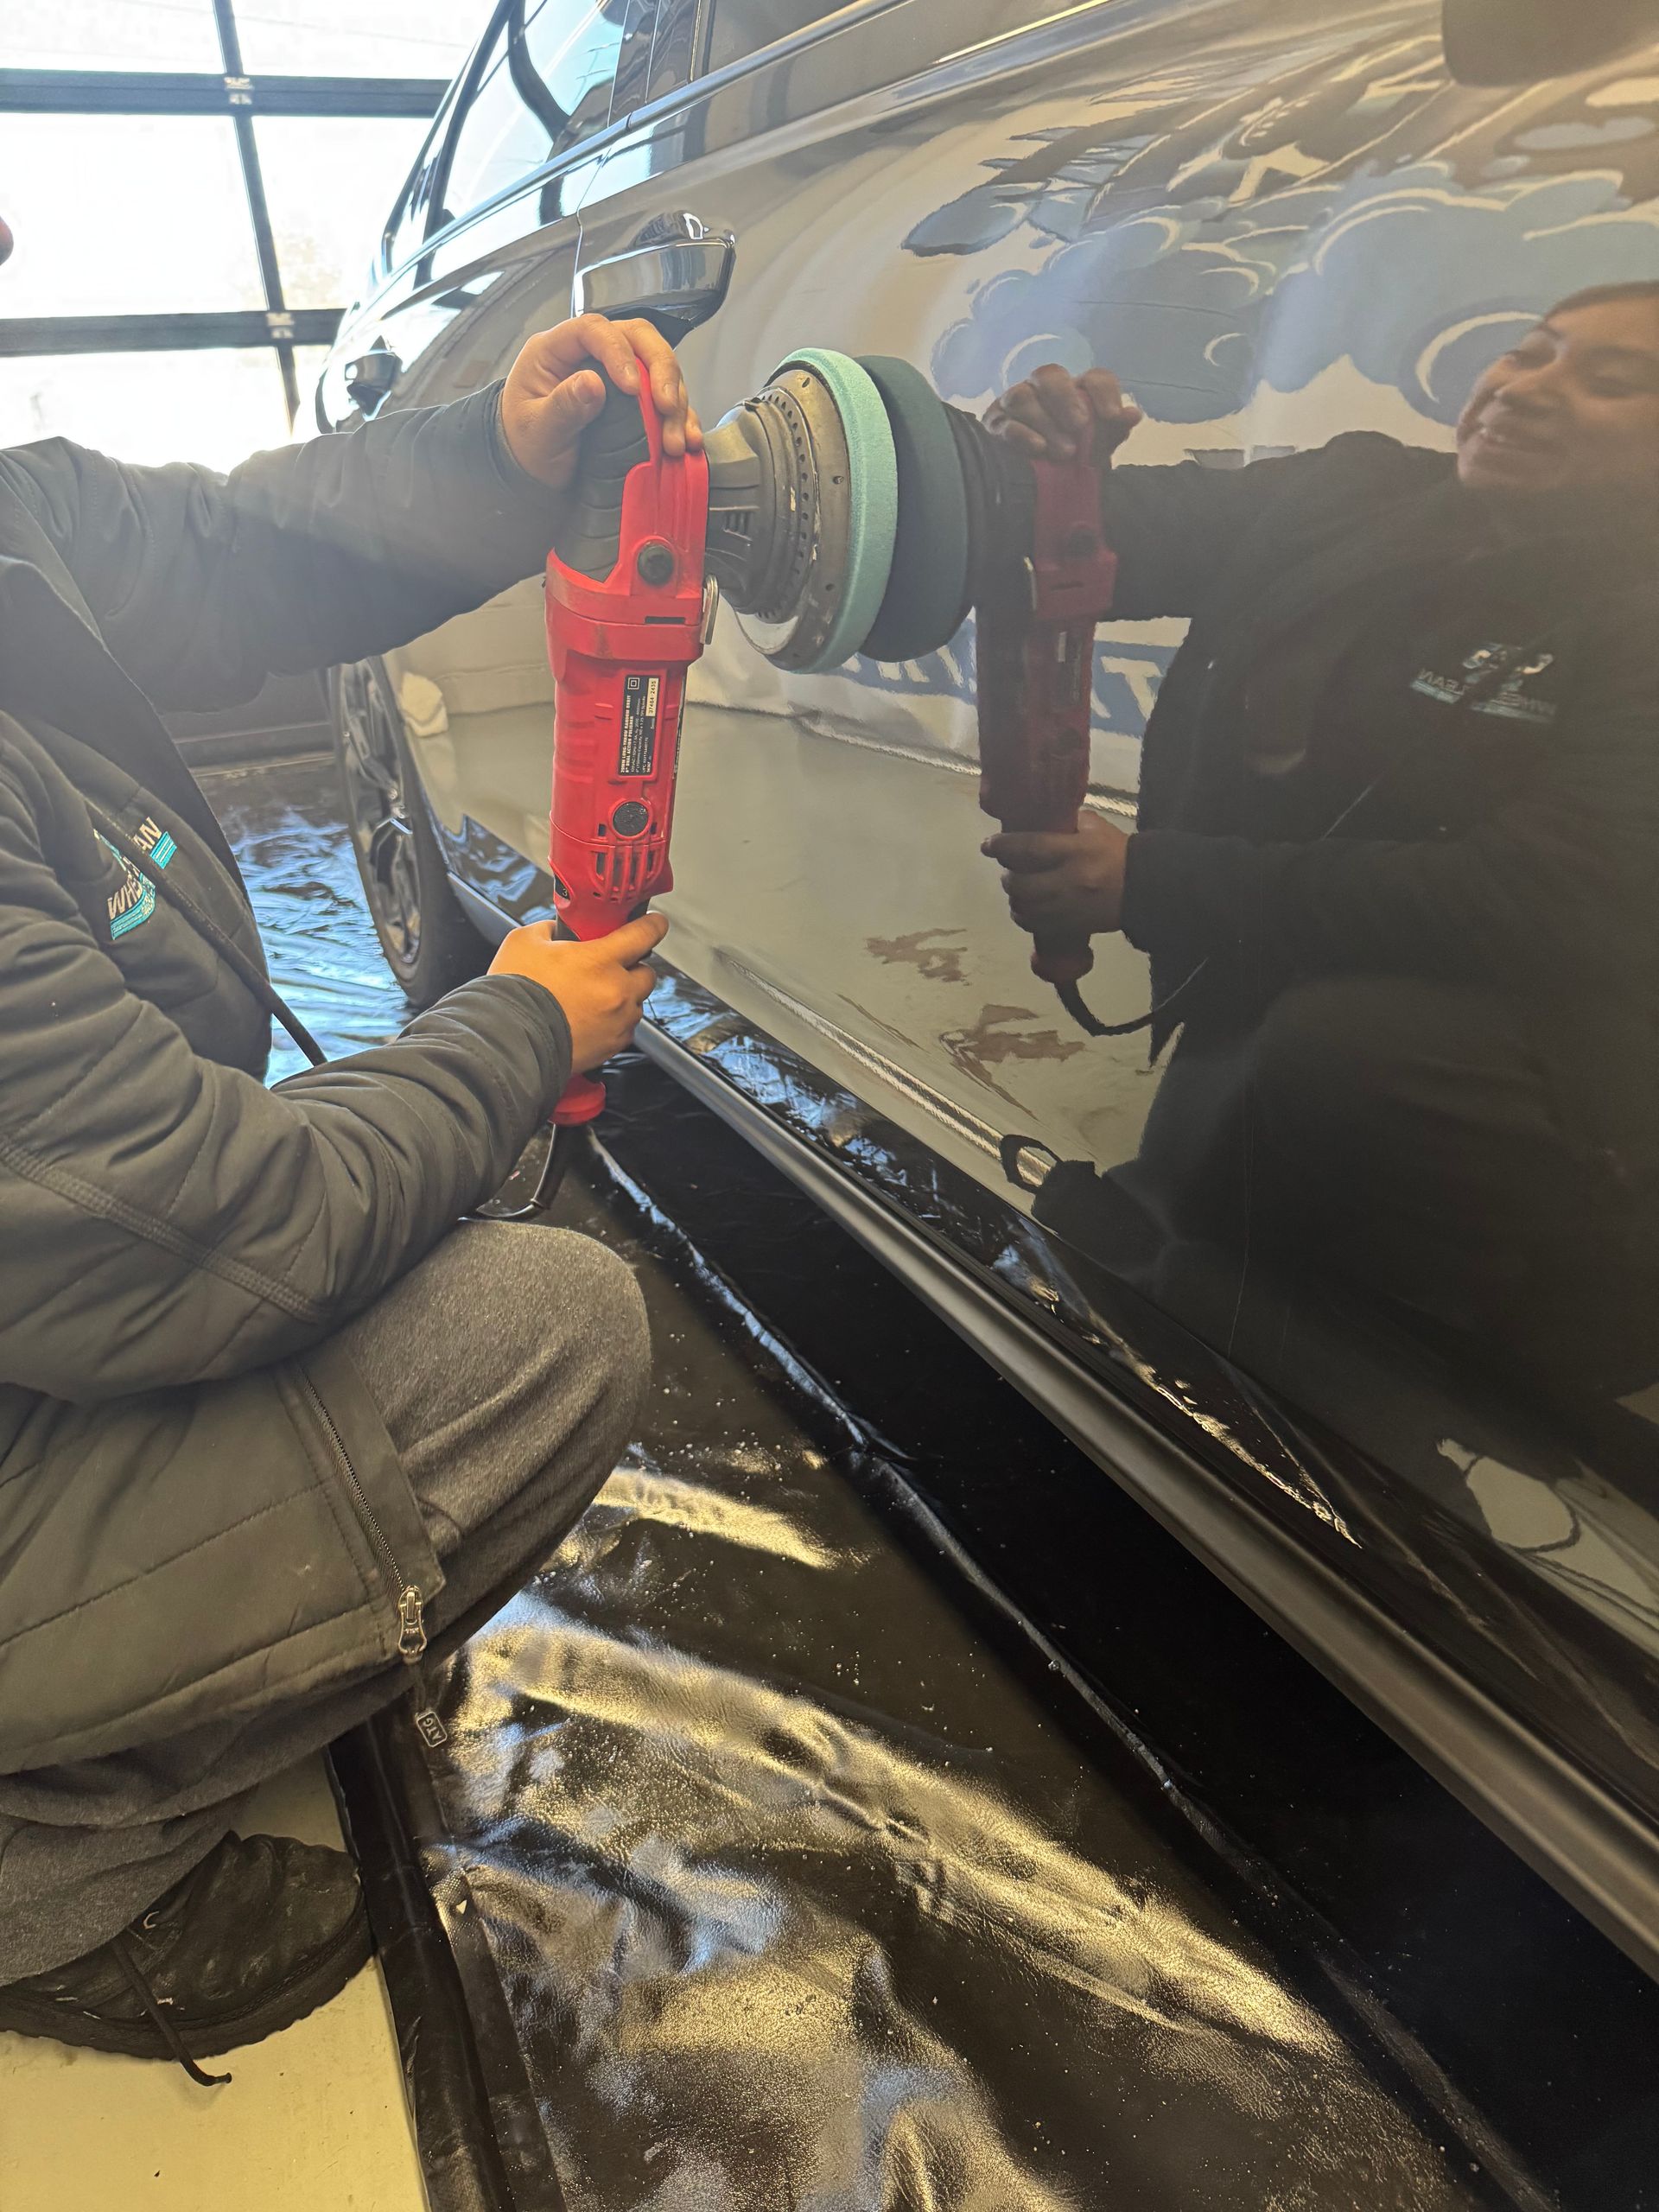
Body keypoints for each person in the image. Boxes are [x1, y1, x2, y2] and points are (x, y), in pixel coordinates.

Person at [0, 207, 704, 2077]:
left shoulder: (13, 522)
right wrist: (519, 1023)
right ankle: (37, 1866)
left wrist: (492, 450)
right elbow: (200, 1234)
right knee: (545, 1335)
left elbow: (230, 547)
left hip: (48, 1313)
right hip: (96, 1307)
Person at [983, 283, 1659, 1400]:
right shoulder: (1359, 487)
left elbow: (1546, 897)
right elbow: (1113, 539)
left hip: (1493, 1102)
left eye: (1613, 381)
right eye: (1536, 353)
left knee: (1356, 1344)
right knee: (1177, 1271)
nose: (1534, 388)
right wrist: (1052, 476)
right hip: (1264, 1016)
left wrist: (1153, 881)